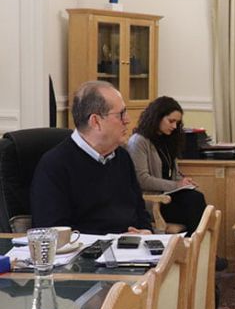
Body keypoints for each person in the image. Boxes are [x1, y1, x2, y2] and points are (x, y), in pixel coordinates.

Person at [31, 81, 152, 234]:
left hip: (132, 246)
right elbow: (53, 232)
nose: (127, 120)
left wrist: (146, 232)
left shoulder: (122, 157)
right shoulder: (54, 165)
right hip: (86, 248)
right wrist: (113, 240)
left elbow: (140, 212)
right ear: (96, 121)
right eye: (121, 114)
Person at [127, 96, 207, 234]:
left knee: (195, 198)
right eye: (171, 121)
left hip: (168, 197)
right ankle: (193, 245)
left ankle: (194, 245)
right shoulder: (139, 141)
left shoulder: (168, 140)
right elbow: (142, 179)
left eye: (177, 122)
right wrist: (176, 185)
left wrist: (184, 182)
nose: (174, 126)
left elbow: (173, 174)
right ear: (157, 117)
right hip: (154, 201)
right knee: (194, 203)